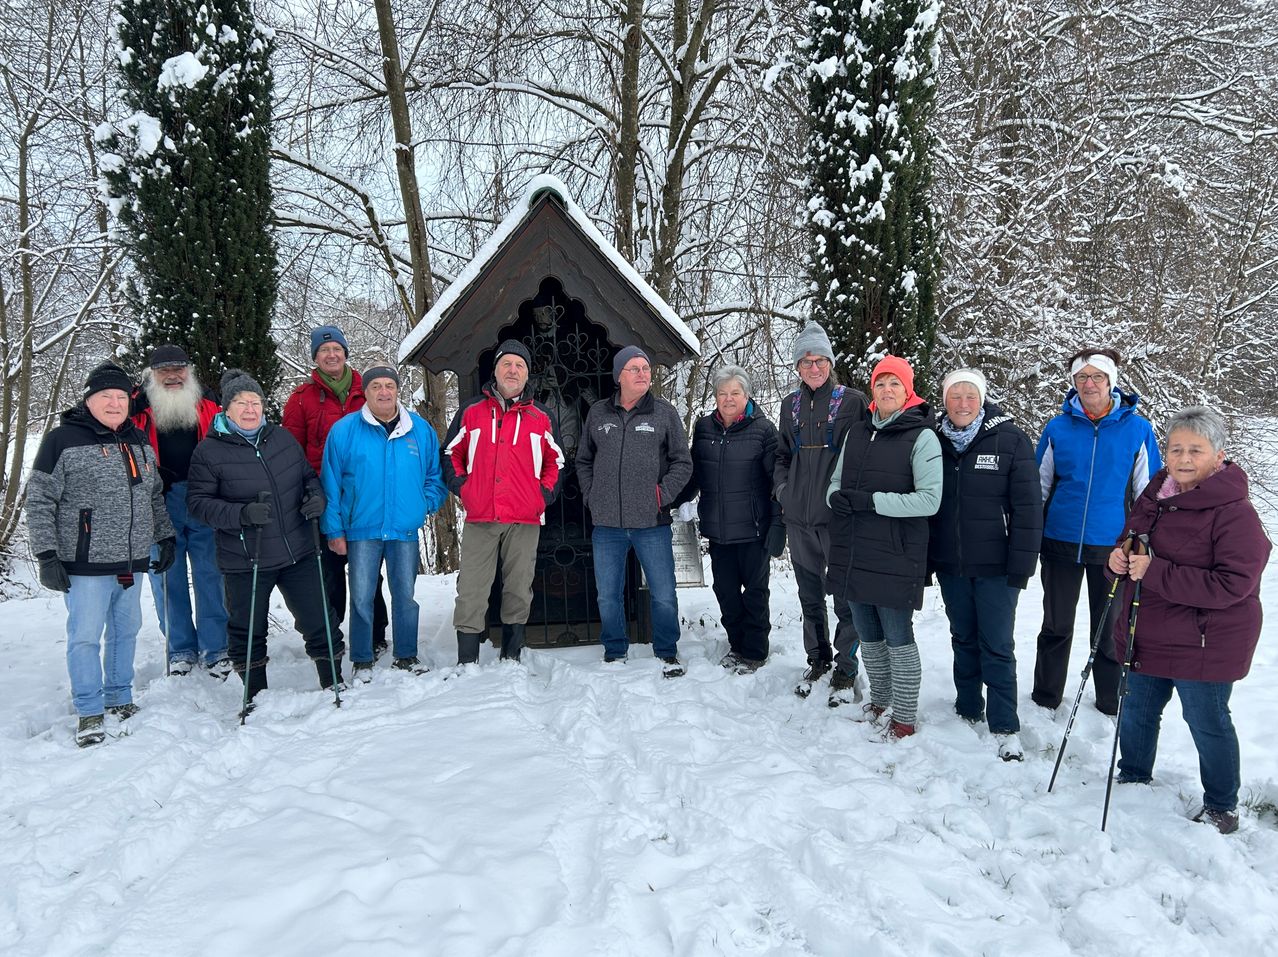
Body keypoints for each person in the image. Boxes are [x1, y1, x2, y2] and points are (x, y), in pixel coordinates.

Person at [1107, 407, 1270, 835]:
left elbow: (1233, 584)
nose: (1183, 458)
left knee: (1207, 722)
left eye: (1195, 450)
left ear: (1218, 456)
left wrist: (1153, 572)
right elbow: (1130, 545)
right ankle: (1134, 777)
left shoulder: (1234, 513)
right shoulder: (1155, 498)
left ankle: (1221, 806)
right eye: (1176, 448)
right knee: (1137, 711)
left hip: (1205, 641)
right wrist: (1117, 559)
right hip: (1146, 631)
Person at [27, 362, 175, 747]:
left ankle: (119, 696)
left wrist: (166, 537)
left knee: (126, 631)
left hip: (130, 560)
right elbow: (40, 499)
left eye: (121, 397)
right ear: (89, 400)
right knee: (85, 636)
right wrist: (46, 554)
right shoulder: (62, 440)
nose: (114, 403)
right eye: (105, 396)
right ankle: (90, 709)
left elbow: (153, 495)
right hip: (84, 563)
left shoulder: (139, 439)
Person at [188, 371, 345, 708]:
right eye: (241, 403)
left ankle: (333, 680)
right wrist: (241, 515)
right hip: (247, 556)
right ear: (226, 410)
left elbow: (306, 476)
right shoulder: (209, 451)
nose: (249, 409)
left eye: (255, 402)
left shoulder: (282, 439)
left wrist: (315, 497)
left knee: (320, 618)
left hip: (298, 549)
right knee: (247, 629)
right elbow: (198, 505)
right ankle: (255, 695)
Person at [1032, 347, 1161, 715]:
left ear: (1111, 382)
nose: (1089, 384)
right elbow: (1039, 486)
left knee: (1109, 629)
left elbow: (1148, 492)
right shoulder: (1058, 427)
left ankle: (1109, 699)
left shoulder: (1137, 429)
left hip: (1113, 547)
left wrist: (1142, 540)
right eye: (1082, 377)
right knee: (1056, 624)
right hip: (1060, 540)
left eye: (1097, 377)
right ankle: (1045, 697)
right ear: (1074, 383)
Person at [929, 369, 1042, 761]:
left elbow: (1028, 509)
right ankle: (967, 706)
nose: (962, 403)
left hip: (997, 565)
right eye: (954, 395)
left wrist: (1022, 566)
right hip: (951, 562)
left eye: (970, 396)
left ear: (982, 399)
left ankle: (1005, 723)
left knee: (996, 643)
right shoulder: (932, 439)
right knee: (962, 636)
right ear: (944, 399)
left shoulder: (1010, 439)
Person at [825, 355, 941, 737]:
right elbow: (836, 481)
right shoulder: (858, 432)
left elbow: (929, 500)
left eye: (895, 383)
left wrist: (871, 501)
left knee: (897, 637)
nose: (887, 390)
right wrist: (834, 498)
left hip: (896, 553)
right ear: (872, 390)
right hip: (855, 550)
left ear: (908, 390)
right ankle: (879, 699)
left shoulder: (922, 436)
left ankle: (905, 715)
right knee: (868, 635)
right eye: (881, 383)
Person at [322, 365, 447, 679]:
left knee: (405, 595)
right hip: (362, 529)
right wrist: (334, 529)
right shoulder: (345, 430)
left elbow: (435, 477)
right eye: (376, 386)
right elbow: (330, 484)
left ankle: (406, 655)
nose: (383, 392)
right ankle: (362, 659)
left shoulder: (419, 430)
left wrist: (423, 505)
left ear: (397, 389)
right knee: (362, 596)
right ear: (365, 391)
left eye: (389, 385)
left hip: (404, 529)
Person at [442, 341, 563, 665]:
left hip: (524, 518)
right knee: (471, 589)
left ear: (527, 374)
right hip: (481, 516)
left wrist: (542, 496)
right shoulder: (471, 412)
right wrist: (465, 489)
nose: (513, 370)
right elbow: (450, 453)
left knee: (519, 588)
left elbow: (557, 462)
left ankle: (512, 654)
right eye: (506, 364)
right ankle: (467, 660)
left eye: (519, 366)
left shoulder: (542, 417)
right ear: (495, 371)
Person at [576, 345, 693, 675]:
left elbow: (682, 462)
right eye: (634, 369)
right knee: (607, 596)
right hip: (607, 524)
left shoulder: (664, 413)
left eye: (646, 368)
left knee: (664, 594)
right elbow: (584, 460)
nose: (643, 374)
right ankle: (615, 651)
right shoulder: (598, 413)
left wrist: (661, 494)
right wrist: (592, 494)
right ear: (619, 377)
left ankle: (667, 650)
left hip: (651, 523)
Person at [775, 321, 868, 698]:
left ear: (830, 362)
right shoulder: (789, 405)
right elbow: (781, 454)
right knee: (809, 595)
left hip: (838, 520)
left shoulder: (852, 401)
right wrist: (783, 491)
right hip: (799, 519)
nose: (814, 368)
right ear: (798, 367)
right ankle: (818, 660)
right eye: (806, 361)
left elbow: (865, 454)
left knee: (845, 597)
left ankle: (846, 669)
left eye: (820, 360)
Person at [282, 325, 388, 657]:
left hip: (363, 494)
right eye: (324, 350)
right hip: (322, 494)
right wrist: (304, 493)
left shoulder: (366, 391)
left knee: (368, 568)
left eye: (337, 349)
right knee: (328, 572)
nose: (332, 355)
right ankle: (332, 633)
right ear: (315, 357)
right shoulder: (301, 399)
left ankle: (374, 633)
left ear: (345, 353)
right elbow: (291, 452)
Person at [131, 344, 230, 677]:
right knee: (166, 578)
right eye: (164, 370)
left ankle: (216, 648)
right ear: (151, 374)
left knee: (210, 575)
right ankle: (180, 650)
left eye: (179, 369)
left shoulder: (210, 404)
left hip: (203, 500)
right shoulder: (136, 408)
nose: (172, 376)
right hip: (159, 503)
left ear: (189, 371)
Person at [688, 365, 783, 673]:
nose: (728, 399)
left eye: (735, 393)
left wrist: (778, 523)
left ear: (746, 395)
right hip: (718, 531)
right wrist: (669, 500)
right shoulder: (704, 429)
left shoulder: (763, 430)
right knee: (726, 595)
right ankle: (737, 645)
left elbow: (776, 482)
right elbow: (694, 474)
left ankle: (754, 652)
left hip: (754, 531)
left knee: (755, 595)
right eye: (722, 393)